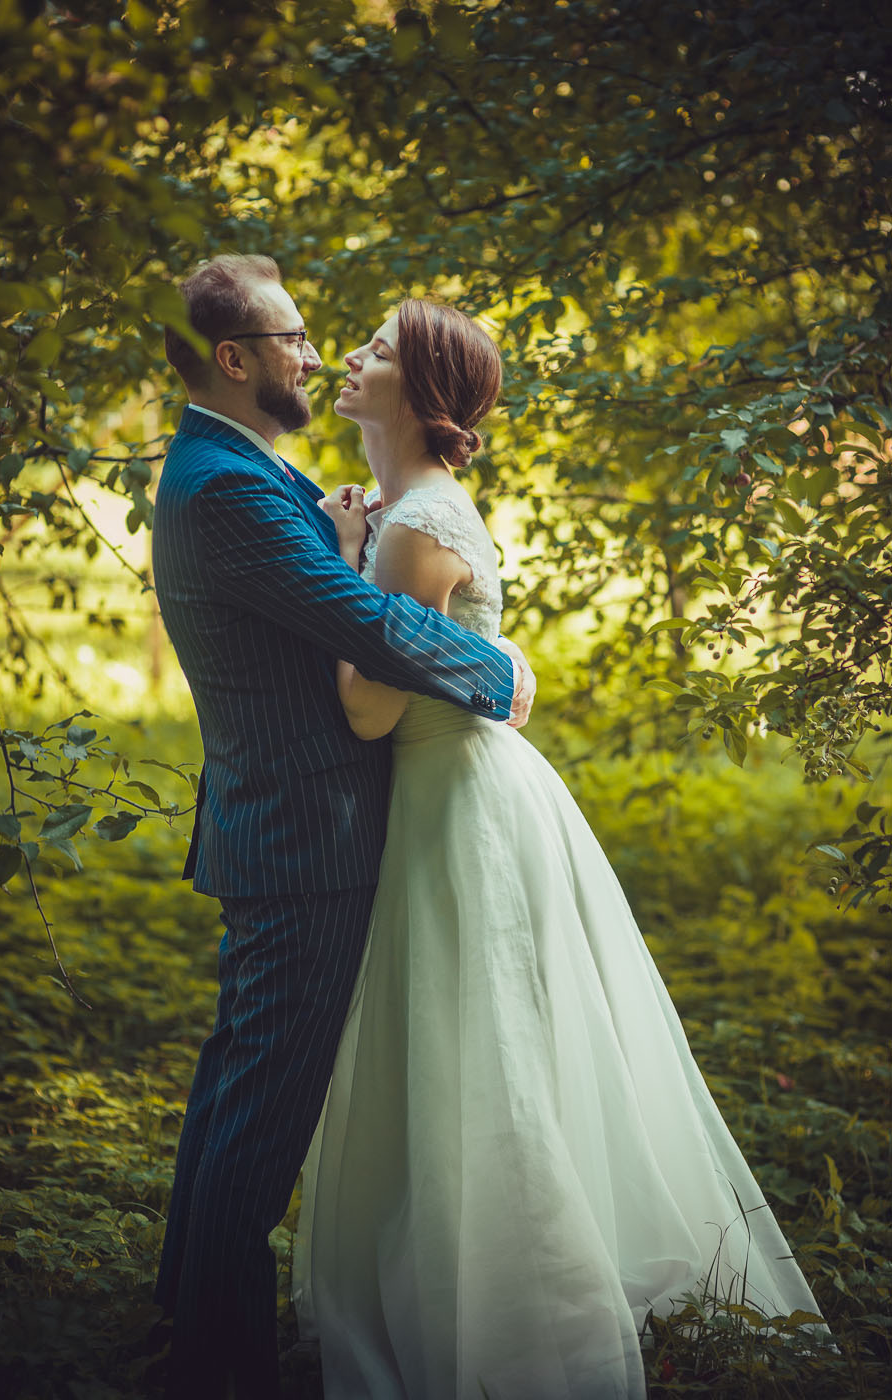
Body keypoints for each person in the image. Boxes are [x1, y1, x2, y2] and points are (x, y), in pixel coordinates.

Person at [294, 300, 824, 1400]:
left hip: (455, 803)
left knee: (479, 1047)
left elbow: (367, 712)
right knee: (474, 1038)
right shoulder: (412, 510)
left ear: (421, 391)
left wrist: (340, 559)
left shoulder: (410, 526)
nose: (348, 356)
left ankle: (519, 1310)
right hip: (460, 788)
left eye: (377, 350)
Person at [150, 255, 535, 1400]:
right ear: (234, 357)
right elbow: (367, 626)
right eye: (294, 338)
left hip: (286, 824)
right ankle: (218, 1368)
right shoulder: (225, 485)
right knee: (259, 1121)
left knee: (238, 1090)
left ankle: (184, 1322)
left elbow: (336, 597)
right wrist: (501, 672)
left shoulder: (245, 469)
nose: (315, 356)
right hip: (303, 835)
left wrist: (341, 534)